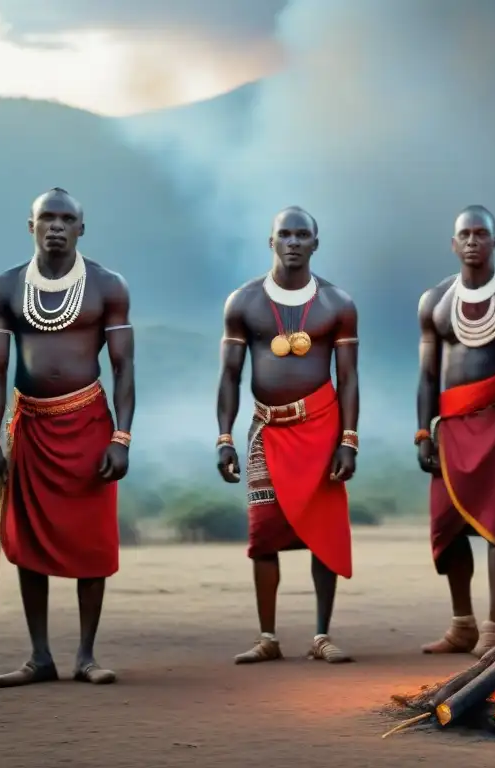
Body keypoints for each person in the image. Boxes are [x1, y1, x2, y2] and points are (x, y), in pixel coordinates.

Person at [0, 188, 135, 688]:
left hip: (89, 423)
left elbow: (123, 366)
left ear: (81, 230)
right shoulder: (2, 289)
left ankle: (86, 656)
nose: (56, 226)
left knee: (92, 541)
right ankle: (39, 657)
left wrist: (121, 437)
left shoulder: (108, 286)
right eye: (47, 217)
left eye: (66, 219)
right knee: (27, 540)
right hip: (29, 428)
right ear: (30, 225)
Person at [216, 206, 359, 665]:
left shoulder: (338, 304)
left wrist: (348, 440)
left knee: (323, 533)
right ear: (270, 241)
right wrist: (224, 437)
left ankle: (322, 635)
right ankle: (267, 636)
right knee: (263, 536)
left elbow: (350, 378)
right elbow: (229, 376)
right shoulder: (244, 302)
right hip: (266, 427)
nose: (293, 242)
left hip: (321, 426)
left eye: (302, 235)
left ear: (316, 243)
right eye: (285, 234)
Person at [415, 205, 495, 657]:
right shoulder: (435, 301)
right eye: (466, 234)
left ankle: (494, 628)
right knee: (447, 526)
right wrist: (423, 432)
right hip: (452, 426)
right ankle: (463, 625)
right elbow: (426, 375)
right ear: (453, 243)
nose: (474, 241)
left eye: (482, 233)